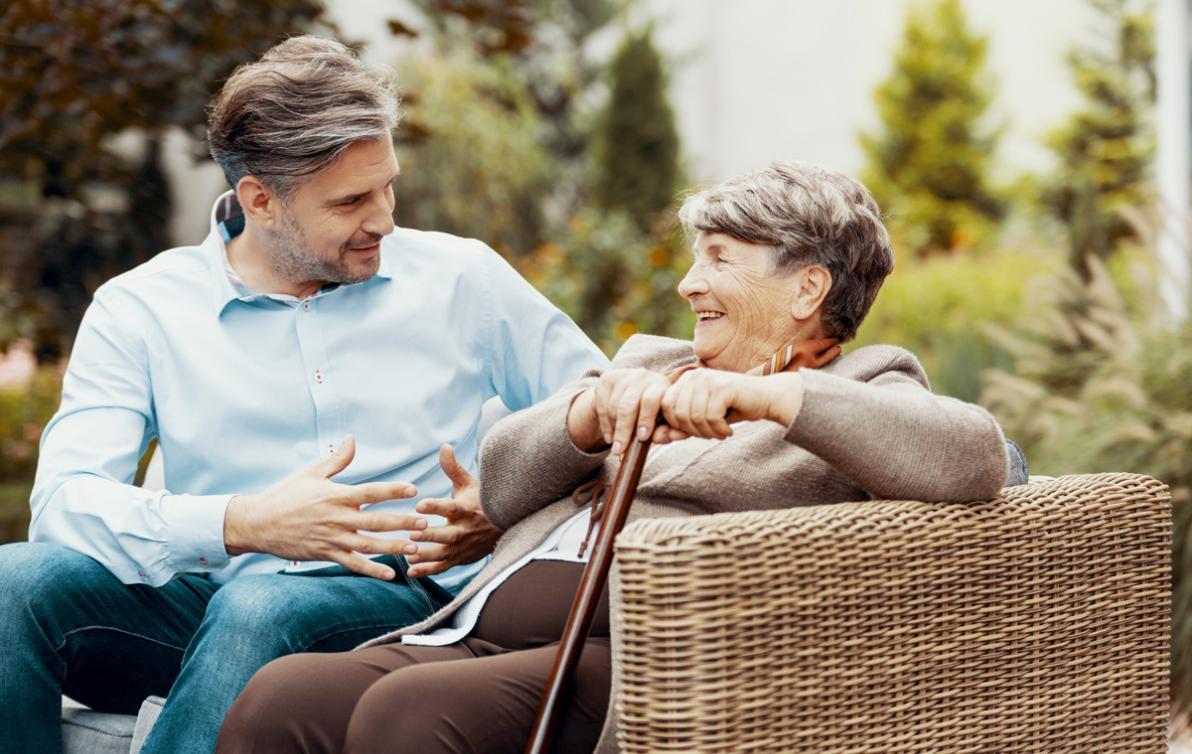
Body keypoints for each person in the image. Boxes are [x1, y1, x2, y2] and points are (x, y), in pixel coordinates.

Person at [217, 161, 1024, 754]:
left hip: (647, 658)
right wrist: (587, 413)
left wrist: (772, 399)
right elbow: (499, 481)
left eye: (719, 259)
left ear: (808, 290)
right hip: (486, 630)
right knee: (280, 698)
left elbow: (975, 460)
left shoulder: (868, 383)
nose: (687, 284)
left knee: (407, 718)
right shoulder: (652, 364)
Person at [0, 35, 608, 754]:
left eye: (388, 185)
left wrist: (501, 501)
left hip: (400, 600)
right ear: (260, 199)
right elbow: (65, 505)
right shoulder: (140, 308)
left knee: (262, 607)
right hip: (205, 603)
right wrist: (244, 523)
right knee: (14, 583)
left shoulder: (461, 279)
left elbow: (600, 408)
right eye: (351, 200)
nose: (383, 217)